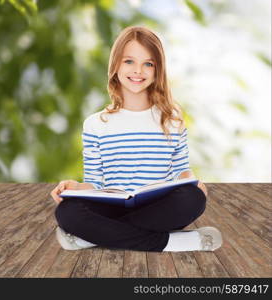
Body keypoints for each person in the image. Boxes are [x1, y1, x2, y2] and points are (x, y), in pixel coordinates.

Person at [50, 26, 222, 252]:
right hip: (111, 208)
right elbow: (95, 183)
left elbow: (181, 171)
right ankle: (174, 242)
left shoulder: (173, 121)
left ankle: (92, 238)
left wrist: (195, 182)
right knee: (67, 211)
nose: (138, 71)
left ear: (157, 70)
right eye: (129, 61)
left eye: (148, 64)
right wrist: (74, 187)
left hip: (157, 210)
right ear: (116, 66)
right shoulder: (95, 124)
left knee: (192, 198)